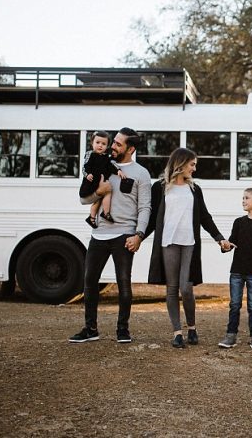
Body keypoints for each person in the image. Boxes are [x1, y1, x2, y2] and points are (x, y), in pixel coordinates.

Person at [69, 127, 151, 344]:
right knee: (89, 281)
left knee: (124, 282)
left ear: (130, 149)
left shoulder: (141, 173)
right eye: (112, 142)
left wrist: (139, 235)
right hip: (99, 234)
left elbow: (145, 208)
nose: (112, 146)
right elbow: (84, 200)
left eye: (118, 144)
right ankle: (90, 329)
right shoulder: (99, 164)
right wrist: (100, 192)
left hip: (124, 234)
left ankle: (122, 330)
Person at [145, 148, 231, 348]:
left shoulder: (194, 189)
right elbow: (151, 219)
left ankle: (192, 326)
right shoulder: (160, 187)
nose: (194, 168)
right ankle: (177, 332)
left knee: (186, 287)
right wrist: (139, 236)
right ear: (181, 164)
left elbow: (204, 217)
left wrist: (219, 238)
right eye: (192, 164)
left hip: (190, 243)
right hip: (168, 242)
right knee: (172, 288)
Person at [218, 188, 252, 351]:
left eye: (246, 198)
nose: (243, 200)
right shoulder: (239, 222)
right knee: (234, 304)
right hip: (237, 272)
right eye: (242, 198)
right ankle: (231, 335)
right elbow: (231, 244)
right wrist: (225, 246)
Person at [80, 131, 123, 228]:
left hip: (101, 183)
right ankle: (92, 217)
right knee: (98, 199)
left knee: (107, 193)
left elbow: (111, 166)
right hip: (91, 183)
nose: (100, 146)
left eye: (103, 144)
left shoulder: (106, 157)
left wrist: (118, 171)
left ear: (107, 146)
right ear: (92, 143)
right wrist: (87, 175)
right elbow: (84, 167)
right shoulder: (90, 154)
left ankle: (105, 213)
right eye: (97, 142)